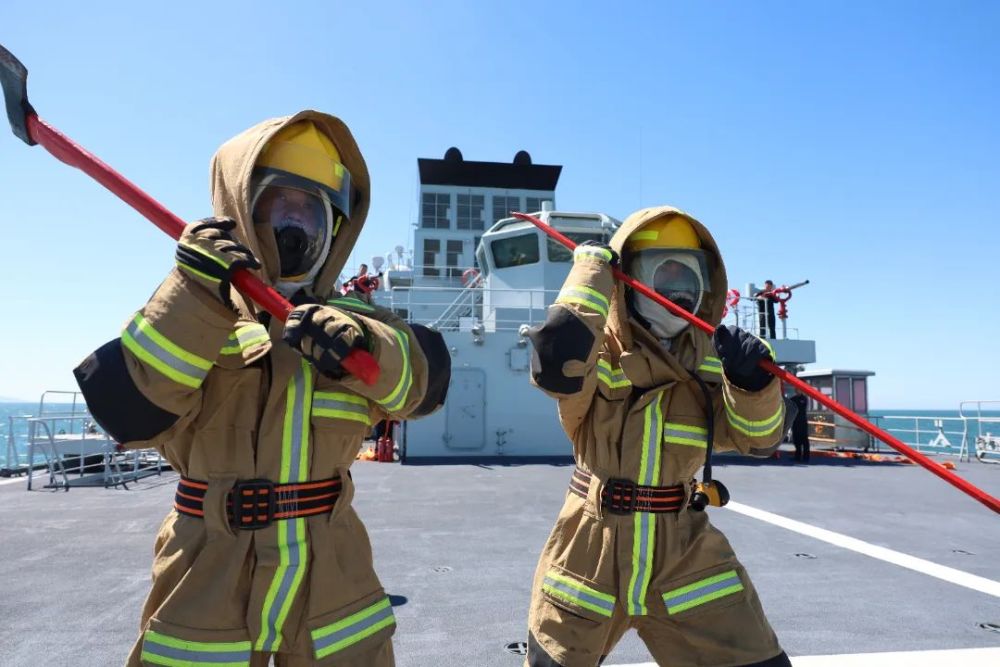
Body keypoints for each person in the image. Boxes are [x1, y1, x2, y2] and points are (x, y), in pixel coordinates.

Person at [73, 113, 450, 666]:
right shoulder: (193, 313)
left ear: (335, 226)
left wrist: (364, 346)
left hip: (333, 577)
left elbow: (427, 385)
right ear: (242, 212)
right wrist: (193, 294)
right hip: (207, 572)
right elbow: (129, 411)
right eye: (281, 204)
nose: (296, 222)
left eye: (312, 208)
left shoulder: (356, 322)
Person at [524, 206, 791, 667]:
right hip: (590, 547)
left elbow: (759, 439)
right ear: (630, 278)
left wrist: (753, 384)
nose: (677, 289)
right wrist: (590, 274)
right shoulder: (597, 348)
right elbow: (556, 361)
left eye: (688, 275)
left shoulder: (711, 359)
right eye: (662, 273)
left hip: (684, 551)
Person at [790, 389, 810, 463]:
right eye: (796, 390)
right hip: (795, 421)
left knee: (804, 439)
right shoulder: (793, 399)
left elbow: (801, 407)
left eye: (799, 390)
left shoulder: (803, 399)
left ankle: (806, 456)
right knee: (796, 439)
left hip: (802, 421)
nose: (797, 391)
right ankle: (797, 456)